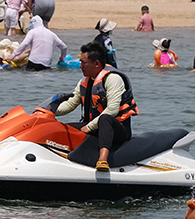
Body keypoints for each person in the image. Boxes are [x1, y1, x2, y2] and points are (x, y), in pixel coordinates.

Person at [53, 44, 137, 172]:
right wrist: (50, 111)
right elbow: (71, 103)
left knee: (105, 118)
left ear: (96, 63)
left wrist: (90, 127)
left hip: (118, 129)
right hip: (95, 126)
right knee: (62, 129)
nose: (80, 66)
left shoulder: (113, 78)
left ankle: (103, 160)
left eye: (83, 62)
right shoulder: (86, 80)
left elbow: (113, 109)